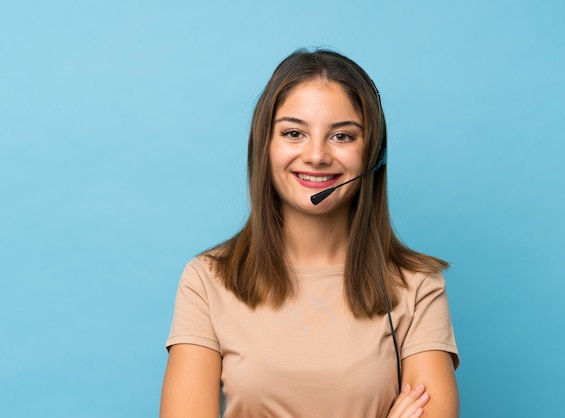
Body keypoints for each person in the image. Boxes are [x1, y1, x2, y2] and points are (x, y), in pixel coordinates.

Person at [160, 48, 460, 418]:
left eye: (342, 136)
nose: (316, 155)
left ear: (374, 154)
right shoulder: (206, 280)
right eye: (294, 133)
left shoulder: (418, 285)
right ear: (264, 147)